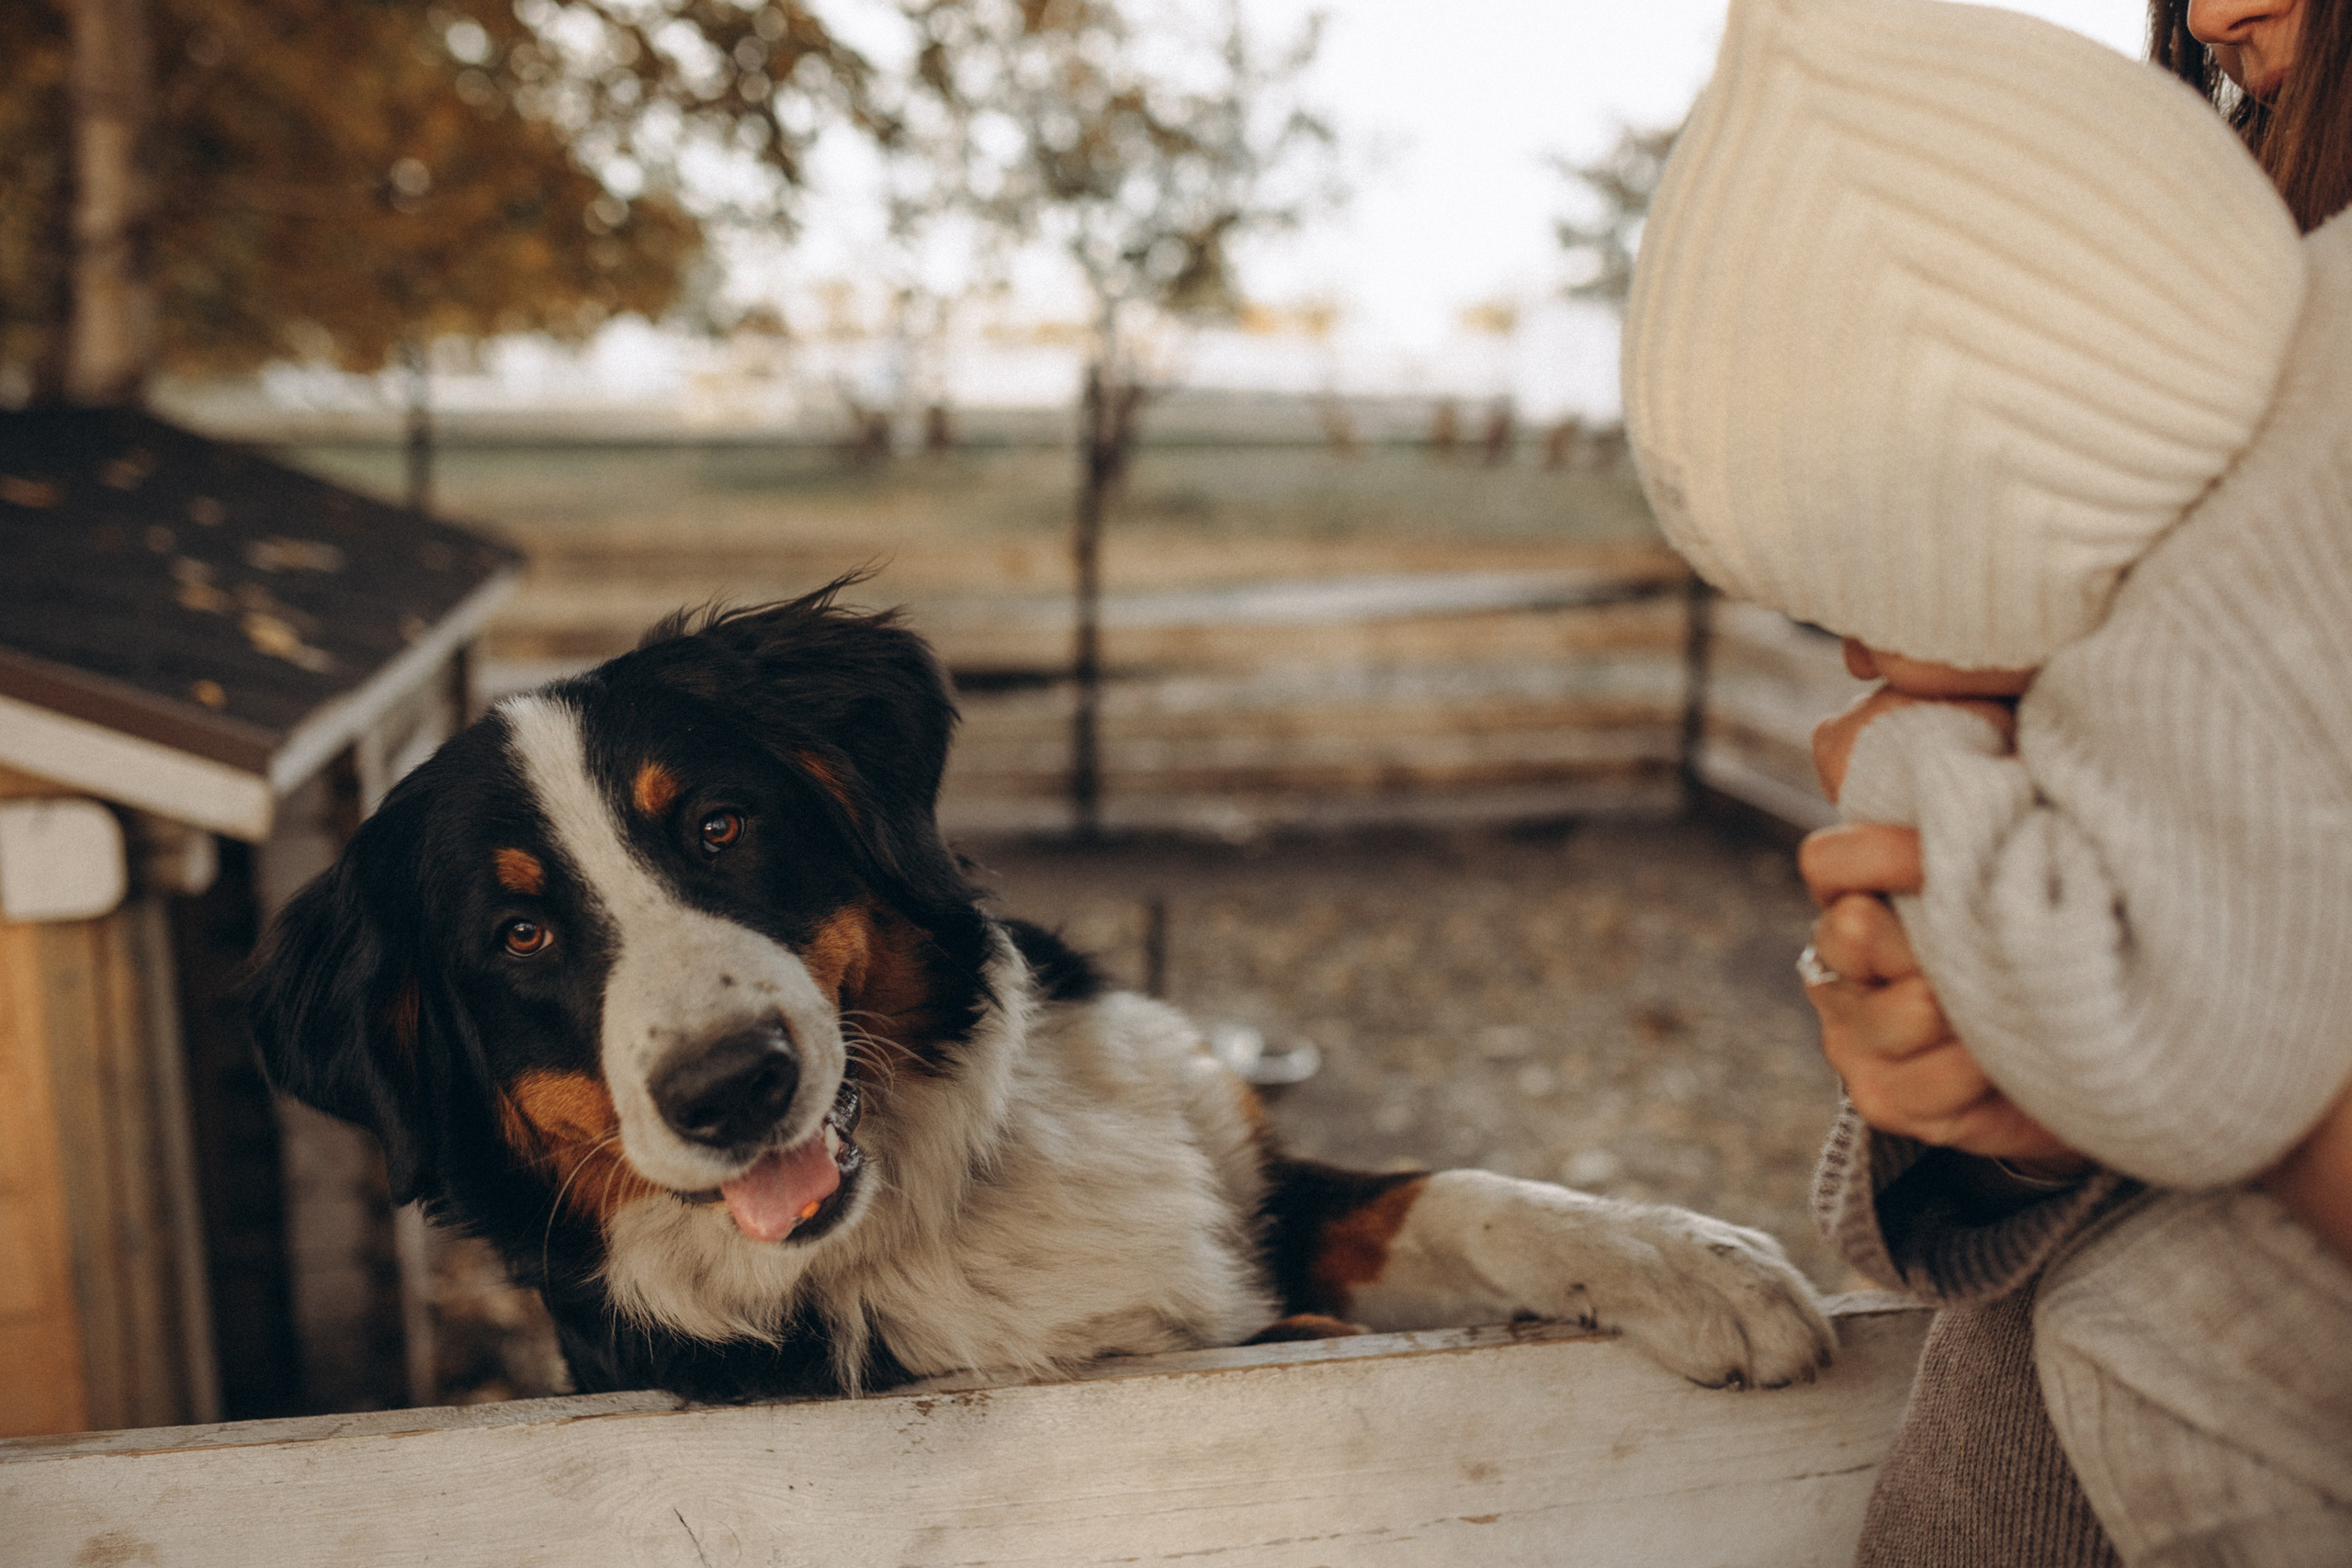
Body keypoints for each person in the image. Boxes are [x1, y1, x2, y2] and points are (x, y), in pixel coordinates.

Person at [1620, 0, 2352, 1562]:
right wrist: (1979, 1078)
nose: (2212, 11)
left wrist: (2202, 1064)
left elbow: (2213, 1063)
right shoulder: (2199, 301)